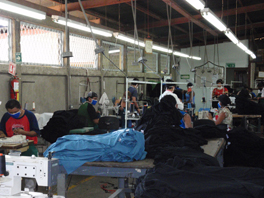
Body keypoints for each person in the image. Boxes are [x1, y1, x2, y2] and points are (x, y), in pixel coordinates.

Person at [0, 99, 40, 191]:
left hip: (28, 148)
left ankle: (30, 191)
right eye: (11, 113)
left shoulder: (30, 116)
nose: (13, 114)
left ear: (20, 108)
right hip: (12, 149)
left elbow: (36, 132)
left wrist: (23, 132)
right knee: (11, 172)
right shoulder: (6, 117)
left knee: (29, 172)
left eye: (15, 112)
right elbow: (1, 128)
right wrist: (2, 134)